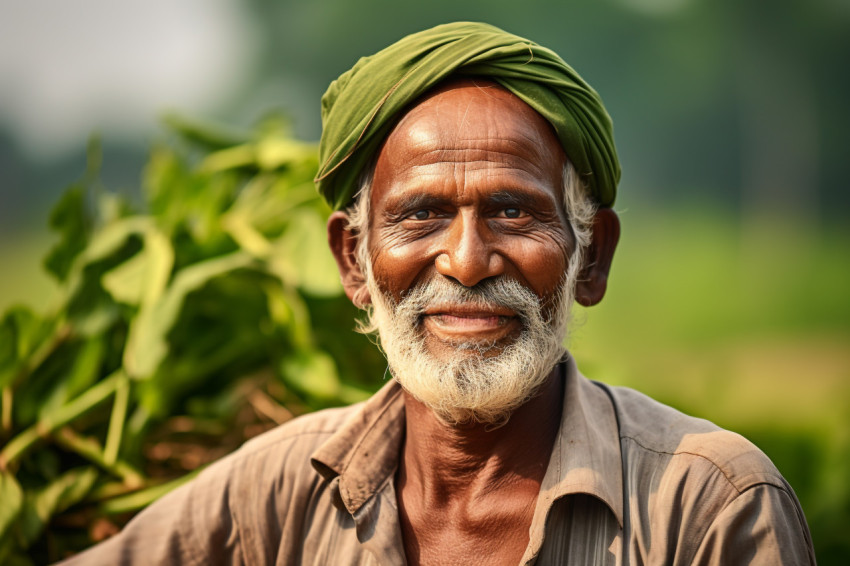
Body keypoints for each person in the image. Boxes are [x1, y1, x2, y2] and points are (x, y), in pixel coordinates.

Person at [60, 22, 815, 566]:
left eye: (512, 212)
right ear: (354, 261)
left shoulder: (707, 507)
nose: (466, 260)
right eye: (421, 215)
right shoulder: (272, 500)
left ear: (592, 258)